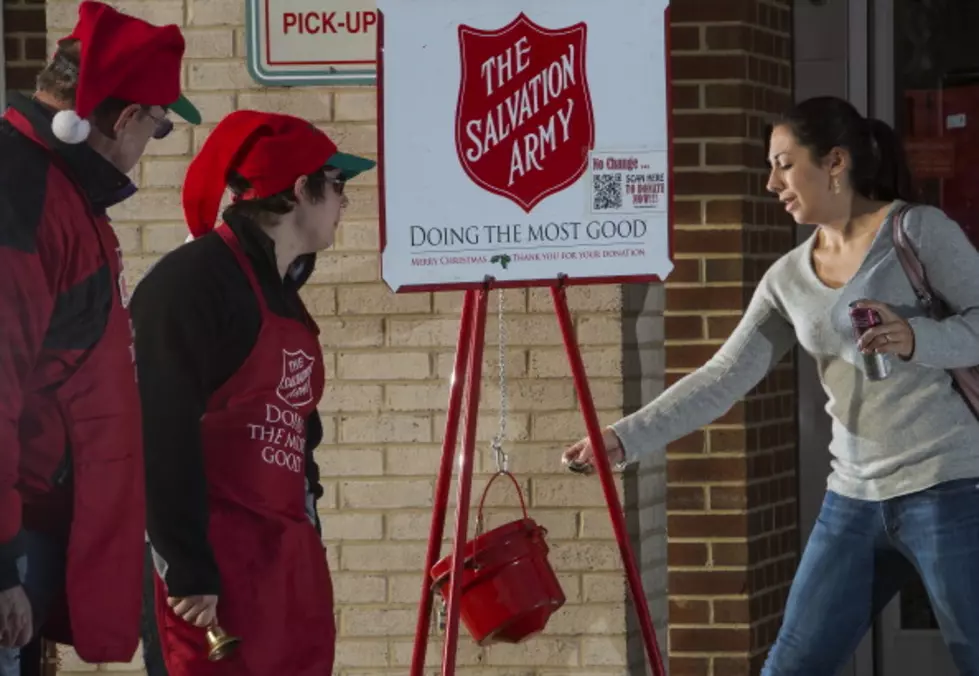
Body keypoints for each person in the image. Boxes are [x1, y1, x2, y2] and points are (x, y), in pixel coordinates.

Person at [562, 95, 979, 675]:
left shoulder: (915, 232)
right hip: (853, 499)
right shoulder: (787, 278)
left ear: (834, 162)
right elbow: (722, 375)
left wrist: (915, 339)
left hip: (950, 488)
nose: (771, 182)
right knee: (790, 667)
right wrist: (622, 439)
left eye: (784, 163)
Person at [130, 110, 375, 676]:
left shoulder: (284, 289)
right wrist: (187, 568)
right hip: (212, 574)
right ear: (298, 191)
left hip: (285, 562)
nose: (345, 202)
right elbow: (156, 433)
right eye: (337, 185)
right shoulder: (191, 286)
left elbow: (299, 429)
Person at [0, 1, 200, 674]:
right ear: (125, 118)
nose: (150, 143)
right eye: (159, 125)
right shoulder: (22, 194)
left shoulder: (53, 189)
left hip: (33, 527)